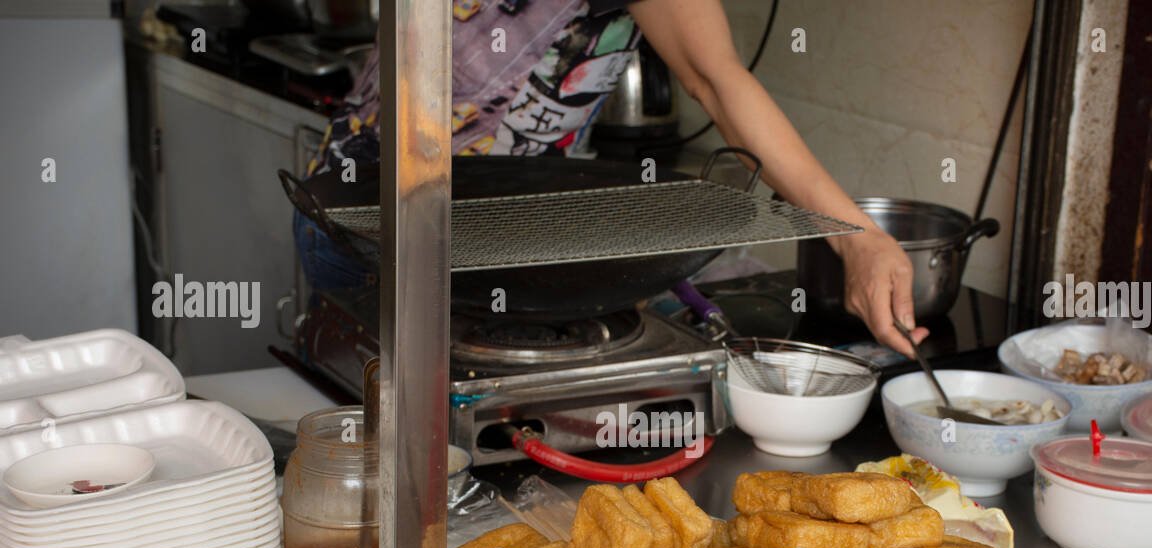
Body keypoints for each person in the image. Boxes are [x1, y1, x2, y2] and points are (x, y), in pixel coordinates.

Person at [295, 0, 926, 355]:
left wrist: (857, 239)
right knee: (383, 464)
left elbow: (717, 80)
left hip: (510, 244)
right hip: (369, 226)